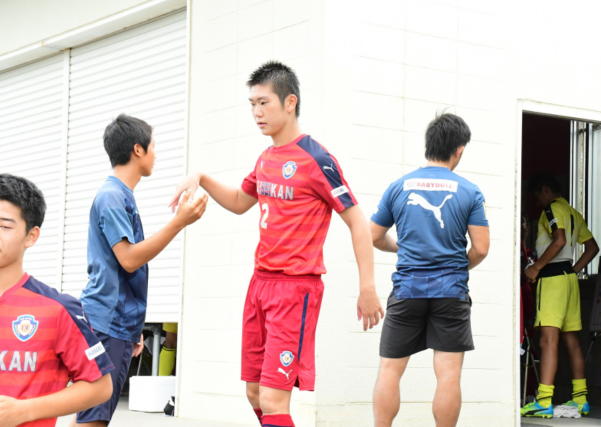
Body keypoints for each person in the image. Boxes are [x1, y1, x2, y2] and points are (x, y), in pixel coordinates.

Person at [171, 61, 384, 427]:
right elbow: (240, 201)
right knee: (255, 392)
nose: (256, 112)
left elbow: (357, 222)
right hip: (260, 284)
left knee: (273, 398)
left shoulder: (316, 159)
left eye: (264, 103)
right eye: (252, 104)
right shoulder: (266, 158)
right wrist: (202, 177)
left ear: (290, 102)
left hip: (295, 289)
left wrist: (367, 286)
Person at [73, 114, 208, 427]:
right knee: (94, 418)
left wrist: (133, 331)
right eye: (154, 147)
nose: (156, 154)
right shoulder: (112, 197)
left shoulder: (120, 195)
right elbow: (129, 259)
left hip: (116, 324)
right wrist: (179, 222)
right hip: (108, 322)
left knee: (93, 416)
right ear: (138, 149)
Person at [370, 113, 490, 427]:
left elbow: (374, 236)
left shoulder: (398, 187)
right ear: (459, 150)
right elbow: (481, 248)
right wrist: (457, 268)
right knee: (448, 374)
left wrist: (399, 248)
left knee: (389, 370)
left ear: (429, 145)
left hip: (407, 289)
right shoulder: (469, 191)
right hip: (450, 292)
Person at [0, 174, 113, 427]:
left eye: (4, 226)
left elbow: (100, 386)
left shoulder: (58, 309)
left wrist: (23, 411)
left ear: (31, 236)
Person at [520, 174, 599, 418]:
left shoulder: (552, 209)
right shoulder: (573, 212)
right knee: (571, 339)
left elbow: (559, 239)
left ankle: (544, 400)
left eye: (537, 196)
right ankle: (581, 399)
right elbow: (592, 247)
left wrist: (536, 267)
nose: (538, 201)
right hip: (568, 280)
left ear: (545, 190)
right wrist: (574, 270)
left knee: (548, 340)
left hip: (552, 280)